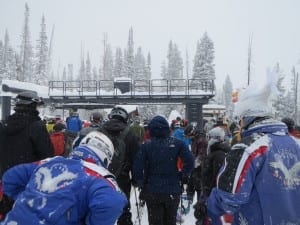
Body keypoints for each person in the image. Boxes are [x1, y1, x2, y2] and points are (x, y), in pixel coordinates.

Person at [207, 71, 300, 224]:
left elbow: (228, 199)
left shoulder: (249, 147)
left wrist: (210, 207)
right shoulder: (296, 144)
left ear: (246, 117)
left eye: (240, 120)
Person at [0, 131, 127, 225]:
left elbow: (10, 178)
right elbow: (113, 202)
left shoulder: (50, 161)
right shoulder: (100, 177)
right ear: (106, 157)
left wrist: (31, 200)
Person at [0, 91, 54, 220]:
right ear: (32, 105)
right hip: (29, 181)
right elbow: (47, 156)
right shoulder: (36, 126)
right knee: (27, 216)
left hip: (6, 180)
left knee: (8, 214)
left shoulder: (4, 125)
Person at [132, 115, 194, 225]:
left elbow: (137, 165)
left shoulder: (146, 146)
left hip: (152, 190)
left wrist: (139, 181)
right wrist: (183, 175)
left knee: (155, 221)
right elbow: (190, 160)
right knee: (170, 220)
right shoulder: (177, 144)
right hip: (172, 189)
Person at [100, 106, 140, 225]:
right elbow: (136, 159)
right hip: (122, 177)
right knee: (124, 209)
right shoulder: (130, 134)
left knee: (101, 208)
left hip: (102, 176)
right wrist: (136, 179)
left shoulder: (99, 131)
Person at [194, 127, 230, 225]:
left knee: (210, 220)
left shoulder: (219, 154)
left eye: (209, 137)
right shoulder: (214, 153)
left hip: (212, 195)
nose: (208, 140)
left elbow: (218, 177)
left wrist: (208, 195)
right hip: (209, 193)